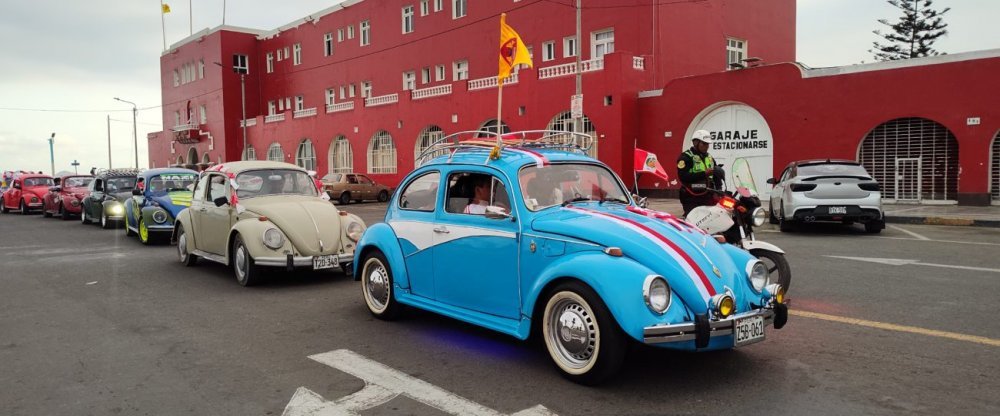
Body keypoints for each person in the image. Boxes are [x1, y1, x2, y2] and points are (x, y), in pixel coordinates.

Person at [677, 129, 722, 216]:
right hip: (691, 196)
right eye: (704, 144)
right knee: (693, 220)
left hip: (708, 196)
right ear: (695, 143)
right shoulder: (686, 157)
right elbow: (683, 176)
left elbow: (716, 175)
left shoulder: (709, 157)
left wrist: (719, 190)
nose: (706, 146)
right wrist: (704, 174)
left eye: (708, 144)